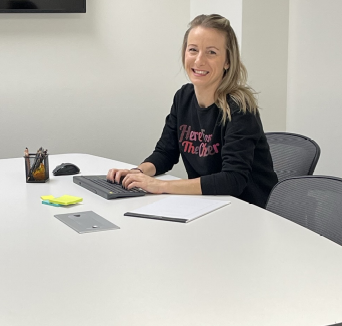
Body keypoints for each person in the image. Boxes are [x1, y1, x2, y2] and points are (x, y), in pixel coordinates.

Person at [107, 14, 278, 208]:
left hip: (249, 211)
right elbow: (166, 153)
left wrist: (160, 185)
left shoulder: (239, 108)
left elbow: (232, 180)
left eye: (211, 52)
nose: (199, 60)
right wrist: (138, 172)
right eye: (193, 50)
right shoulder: (183, 97)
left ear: (227, 61)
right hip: (209, 204)